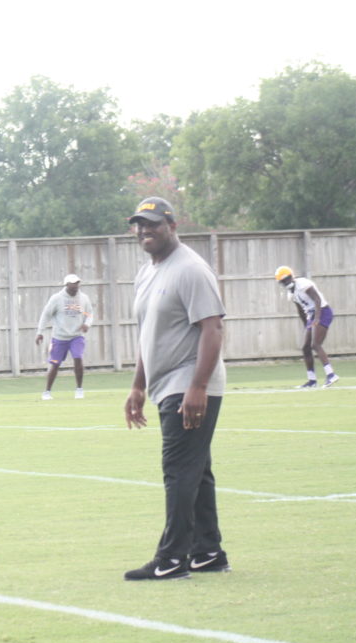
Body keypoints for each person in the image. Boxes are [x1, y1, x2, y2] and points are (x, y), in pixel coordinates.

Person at [124, 197, 229, 581]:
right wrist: (137, 385)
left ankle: (171, 558)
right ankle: (207, 551)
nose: (144, 230)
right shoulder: (148, 272)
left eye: (152, 223)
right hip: (164, 383)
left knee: (179, 469)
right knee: (196, 470)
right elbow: (148, 335)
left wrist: (198, 386)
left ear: (171, 225)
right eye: (139, 224)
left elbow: (212, 328)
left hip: (188, 384)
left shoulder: (190, 269)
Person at [274, 266, 339, 388]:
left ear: (291, 277)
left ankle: (331, 375)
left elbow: (317, 299)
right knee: (305, 347)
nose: (286, 282)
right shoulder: (291, 294)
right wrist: (306, 325)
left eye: (287, 279)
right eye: (283, 281)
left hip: (323, 311)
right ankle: (312, 380)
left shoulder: (303, 283)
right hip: (311, 315)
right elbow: (301, 311)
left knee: (316, 344)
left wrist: (317, 318)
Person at [35, 274, 93, 400]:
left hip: (77, 336)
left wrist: (87, 324)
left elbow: (89, 313)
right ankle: (47, 392)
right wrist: (40, 332)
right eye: (72, 285)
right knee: (55, 364)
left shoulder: (83, 298)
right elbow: (46, 315)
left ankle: (79, 389)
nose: (75, 287)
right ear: (66, 285)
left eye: (77, 284)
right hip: (59, 337)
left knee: (78, 357)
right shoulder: (57, 299)